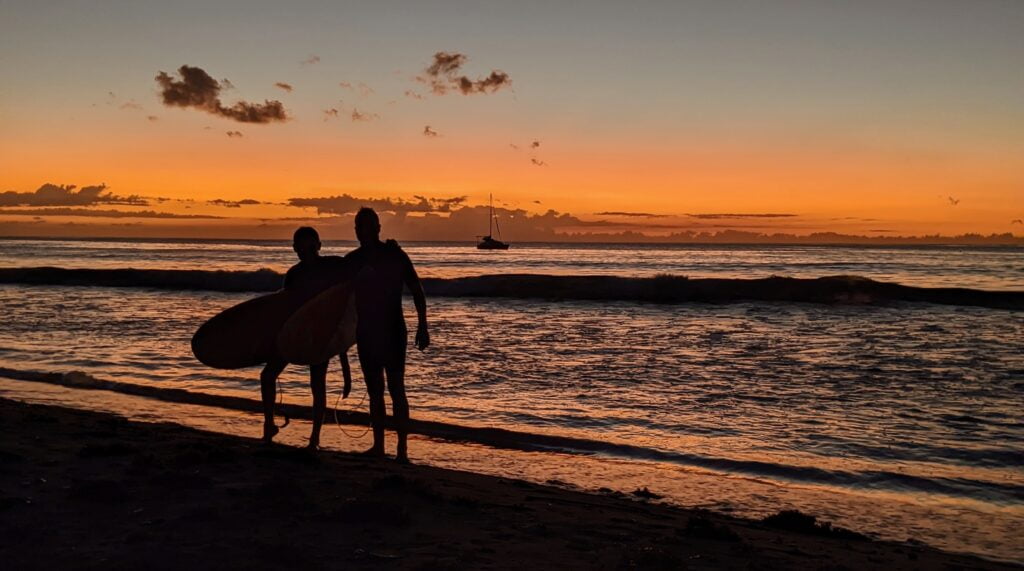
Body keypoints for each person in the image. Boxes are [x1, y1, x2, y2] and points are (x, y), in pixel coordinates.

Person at [344, 207, 429, 462]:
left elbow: (417, 290)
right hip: (366, 332)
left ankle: (402, 450)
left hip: (393, 330)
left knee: (396, 388)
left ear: (378, 228)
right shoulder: (352, 261)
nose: (362, 231)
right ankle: (379, 447)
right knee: (374, 391)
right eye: (358, 226)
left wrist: (423, 326)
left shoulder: (395, 255)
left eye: (367, 226)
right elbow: (336, 298)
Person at [261, 226, 350, 449]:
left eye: (310, 247)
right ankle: (269, 425)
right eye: (301, 249)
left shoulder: (332, 267)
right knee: (267, 375)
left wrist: (342, 346)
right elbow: (284, 309)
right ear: (294, 249)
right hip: (293, 333)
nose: (306, 253)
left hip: (320, 335)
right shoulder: (294, 274)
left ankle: (315, 438)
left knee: (317, 385)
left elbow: (348, 288)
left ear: (319, 246)